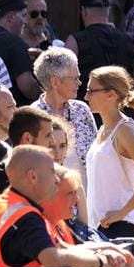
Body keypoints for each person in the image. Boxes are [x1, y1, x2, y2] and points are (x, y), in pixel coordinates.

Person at [0, 145, 134, 267]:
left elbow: (62, 248)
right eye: (51, 172)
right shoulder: (24, 217)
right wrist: (100, 262)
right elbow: (53, 258)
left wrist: (106, 248)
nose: (56, 180)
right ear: (32, 177)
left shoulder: (17, 207)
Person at [83, 66, 134, 234]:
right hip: (101, 226)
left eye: (91, 91)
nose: (86, 96)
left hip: (122, 227)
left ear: (111, 95)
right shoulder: (104, 129)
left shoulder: (125, 130)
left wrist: (121, 213)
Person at [32, 46, 96, 178]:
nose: (79, 83)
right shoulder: (33, 117)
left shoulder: (82, 110)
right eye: (74, 78)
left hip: (87, 195)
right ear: (55, 82)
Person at [67, 0, 134, 96]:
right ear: (108, 10)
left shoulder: (75, 41)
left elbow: (64, 73)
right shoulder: (131, 40)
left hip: (88, 108)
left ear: (84, 11)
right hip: (122, 108)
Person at [0, 0, 40, 103]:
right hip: (10, 113)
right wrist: (47, 95)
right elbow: (27, 86)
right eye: (23, 15)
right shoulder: (15, 42)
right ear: (11, 17)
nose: (26, 21)